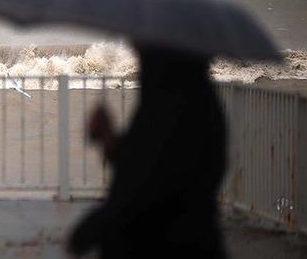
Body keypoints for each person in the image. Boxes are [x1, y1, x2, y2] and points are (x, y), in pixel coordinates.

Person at [66, 45, 227, 258]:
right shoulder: (198, 101)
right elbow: (143, 158)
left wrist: (89, 231)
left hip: (160, 244)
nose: (137, 51)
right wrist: (108, 138)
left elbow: (147, 186)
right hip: (194, 239)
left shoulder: (170, 104)